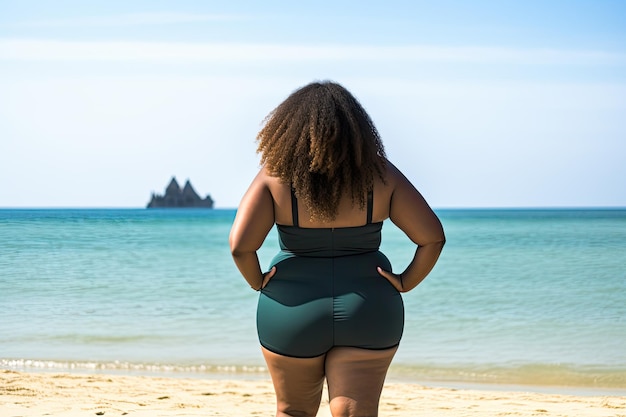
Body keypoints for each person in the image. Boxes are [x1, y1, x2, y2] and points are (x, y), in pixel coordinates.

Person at [229, 81, 445, 417]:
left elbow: (240, 246)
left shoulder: (276, 176)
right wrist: (405, 282)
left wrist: (257, 281)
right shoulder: (381, 175)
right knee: (353, 411)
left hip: (291, 308)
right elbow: (432, 238)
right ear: (357, 129)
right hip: (368, 306)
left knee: (292, 411)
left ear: (288, 129)